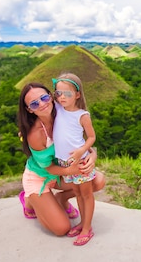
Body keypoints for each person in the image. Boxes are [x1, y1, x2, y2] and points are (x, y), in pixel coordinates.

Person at [17, 82, 105, 237]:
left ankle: (61, 198)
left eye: (44, 97)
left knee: (98, 181)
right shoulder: (35, 134)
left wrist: (93, 155)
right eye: (35, 103)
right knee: (61, 228)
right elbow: (48, 168)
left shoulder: (62, 111)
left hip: (61, 174)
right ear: (29, 109)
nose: (42, 104)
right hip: (40, 177)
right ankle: (30, 200)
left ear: (51, 96)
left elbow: (80, 140)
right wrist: (70, 170)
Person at [53, 73, 97, 246]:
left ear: (78, 94)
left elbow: (92, 137)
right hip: (65, 163)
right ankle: (82, 223)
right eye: (59, 93)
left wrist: (81, 151)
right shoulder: (57, 108)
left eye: (68, 94)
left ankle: (87, 228)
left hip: (80, 162)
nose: (62, 97)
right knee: (77, 193)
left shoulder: (82, 115)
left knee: (86, 195)